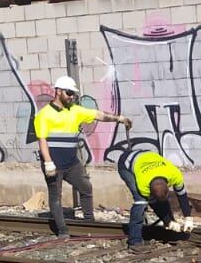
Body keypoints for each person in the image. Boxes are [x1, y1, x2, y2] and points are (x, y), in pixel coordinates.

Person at [32, 75, 131, 237]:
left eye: (73, 94)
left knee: (86, 187)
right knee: (56, 196)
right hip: (53, 164)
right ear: (58, 92)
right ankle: (62, 230)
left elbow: (98, 115)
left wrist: (119, 119)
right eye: (69, 93)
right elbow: (42, 140)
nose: (72, 97)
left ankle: (89, 222)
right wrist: (48, 163)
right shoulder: (44, 115)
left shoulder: (75, 111)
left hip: (71, 163)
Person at [117, 146, 194, 247]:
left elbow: (182, 195)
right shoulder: (143, 185)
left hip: (146, 156)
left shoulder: (175, 174)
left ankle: (169, 224)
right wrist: (168, 220)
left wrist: (188, 218)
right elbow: (153, 203)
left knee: (159, 202)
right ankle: (134, 241)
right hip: (126, 163)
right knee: (140, 202)